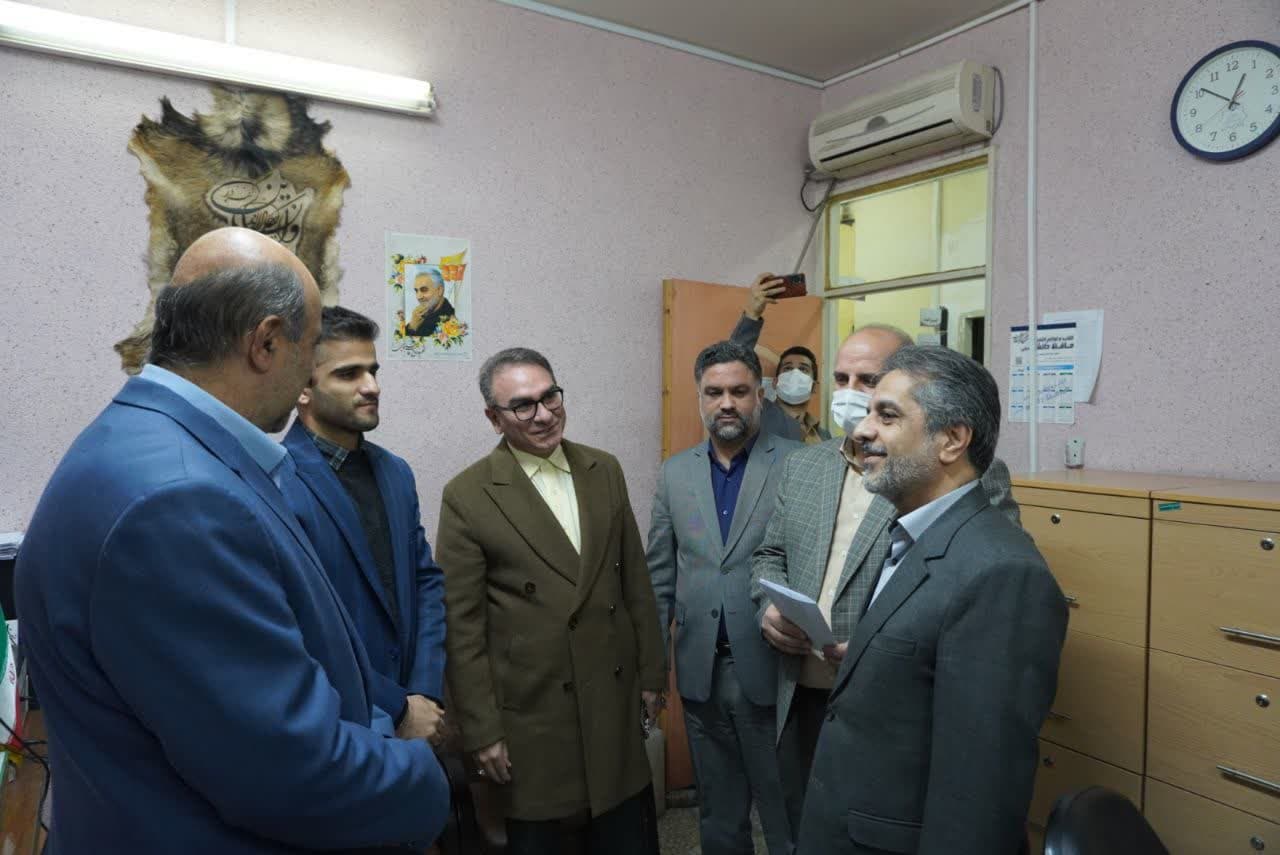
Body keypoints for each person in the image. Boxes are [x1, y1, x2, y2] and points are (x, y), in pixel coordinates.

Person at [15, 228, 448, 853]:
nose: (309, 371)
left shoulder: (145, 441)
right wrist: (425, 777)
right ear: (266, 342)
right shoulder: (179, 499)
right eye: (310, 347)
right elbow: (292, 773)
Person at [751, 323, 1020, 838]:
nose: (851, 395)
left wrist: (881, 648)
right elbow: (768, 554)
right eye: (841, 379)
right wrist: (767, 608)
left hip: (889, 709)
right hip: (798, 691)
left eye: (869, 382)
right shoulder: (805, 465)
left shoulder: (956, 476)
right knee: (802, 829)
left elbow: (982, 594)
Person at [795, 346, 1067, 854]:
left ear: (952, 439)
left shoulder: (1002, 573)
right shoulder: (912, 534)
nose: (862, 431)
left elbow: (978, 794)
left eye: (887, 415)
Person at [437, 347, 665, 855]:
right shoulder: (469, 495)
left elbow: (635, 581)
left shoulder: (604, 469)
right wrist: (482, 732)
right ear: (494, 418)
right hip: (533, 715)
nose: (543, 415)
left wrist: (652, 674)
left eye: (550, 397)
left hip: (611, 700)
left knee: (626, 834)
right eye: (523, 406)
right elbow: (462, 627)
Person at [646, 340, 799, 855]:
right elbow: (659, 577)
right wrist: (654, 672)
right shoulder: (676, 473)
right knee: (718, 816)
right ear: (699, 398)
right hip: (701, 674)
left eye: (739, 391)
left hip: (775, 671)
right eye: (714, 392)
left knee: (785, 815)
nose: (726, 403)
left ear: (760, 395)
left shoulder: (797, 465)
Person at [282, 305, 447, 746]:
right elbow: (299, 628)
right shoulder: (276, 483)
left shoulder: (395, 473)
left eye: (372, 371)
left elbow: (426, 582)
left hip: (417, 712)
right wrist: (397, 705)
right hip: (339, 722)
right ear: (302, 388)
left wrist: (424, 691)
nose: (372, 387)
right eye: (348, 374)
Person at [729, 273, 828, 444]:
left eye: (803, 369)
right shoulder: (755, 415)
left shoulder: (823, 436)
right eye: (788, 368)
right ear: (775, 382)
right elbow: (732, 369)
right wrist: (752, 313)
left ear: (814, 387)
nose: (795, 373)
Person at [405, 268, 456, 337]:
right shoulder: (422, 315)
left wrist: (412, 328)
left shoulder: (451, 320)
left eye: (424, 290)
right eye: (416, 291)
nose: (418, 297)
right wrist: (412, 326)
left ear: (439, 290)